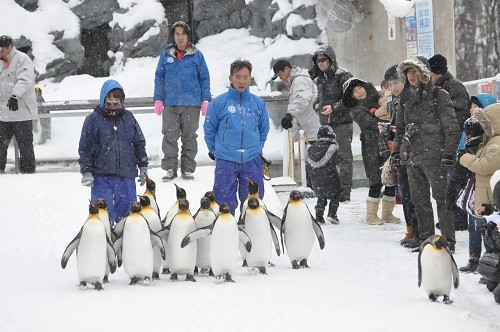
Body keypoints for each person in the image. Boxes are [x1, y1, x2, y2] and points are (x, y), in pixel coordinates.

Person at [392, 59, 461, 252]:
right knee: (419, 201)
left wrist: (449, 152)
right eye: (408, 73)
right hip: (412, 156)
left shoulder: (439, 95)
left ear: (423, 73)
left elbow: (451, 127)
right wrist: (397, 152)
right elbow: (400, 130)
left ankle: (448, 241)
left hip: (435, 156)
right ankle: (426, 239)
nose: (411, 76)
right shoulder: (404, 98)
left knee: (442, 200)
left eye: (414, 72)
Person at [203, 59, 270, 215]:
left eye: (246, 77)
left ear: (250, 78)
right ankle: (227, 234)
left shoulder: (258, 103)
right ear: (230, 78)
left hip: (251, 158)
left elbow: (264, 128)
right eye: (238, 77)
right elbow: (209, 128)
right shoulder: (218, 103)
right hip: (226, 158)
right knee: (223, 201)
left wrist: (257, 147)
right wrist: (215, 150)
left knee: (253, 202)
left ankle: (250, 233)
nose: (242, 81)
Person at [78, 79, 148, 225]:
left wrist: (143, 166)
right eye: (110, 97)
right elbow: (85, 147)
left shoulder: (128, 118)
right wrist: (86, 171)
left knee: (128, 219)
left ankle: (124, 246)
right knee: (102, 217)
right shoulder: (93, 119)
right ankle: (104, 245)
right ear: (103, 98)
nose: (113, 101)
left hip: (126, 176)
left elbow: (139, 143)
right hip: (101, 177)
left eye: (117, 98)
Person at [153, 21, 211, 181]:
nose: (180, 37)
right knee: (169, 136)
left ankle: (187, 169)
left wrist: (205, 99)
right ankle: (170, 168)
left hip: (192, 103)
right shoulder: (166, 55)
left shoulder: (196, 55)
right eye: (177, 34)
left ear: (187, 35)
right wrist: (158, 98)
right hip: (170, 103)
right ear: (173, 36)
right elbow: (159, 77)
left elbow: (204, 78)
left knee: (189, 137)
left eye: (183, 34)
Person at [342, 78, 400, 225]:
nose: (359, 92)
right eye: (355, 91)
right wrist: (386, 122)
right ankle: (371, 214)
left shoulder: (378, 99)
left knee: (391, 177)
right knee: (375, 180)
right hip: (371, 145)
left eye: (360, 88)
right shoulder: (355, 109)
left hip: (388, 142)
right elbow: (370, 123)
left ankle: (388, 213)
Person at [428, 54, 471, 232]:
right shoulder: (440, 87)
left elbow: (458, 115)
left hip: (454, 144)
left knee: (456, 181)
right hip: (445, 143)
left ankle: (459, 219)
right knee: (449, 182)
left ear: (436, 72)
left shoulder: (453, 87)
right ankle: (453, 218)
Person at [310, 44, 353, 201]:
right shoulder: (320, 78)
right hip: (325, 125)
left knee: (343, 158)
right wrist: (317, 103)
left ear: (331, 59)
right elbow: (322, 97)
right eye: (317, 60)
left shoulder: (343, 76)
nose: (320, 63)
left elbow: (351, 98)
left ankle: (344, 192)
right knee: (327, 159)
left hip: (342, 124)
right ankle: (331, 189)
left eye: (323, 59)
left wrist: (333, 108)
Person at [382, 64, 418, 244]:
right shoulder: (394, 102)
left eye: (396, 82)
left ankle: (418, 231)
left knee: (415, 195)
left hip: (413, 152)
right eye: (390, 84)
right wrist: (389, 130)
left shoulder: (411, 98)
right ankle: (410, 230)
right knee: (405, 194)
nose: (393, 87)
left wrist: (403, 131)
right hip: (401, 153)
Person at [446, 116, 484, 272]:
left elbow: (456, 178)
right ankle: (491, 262)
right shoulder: (488, 147)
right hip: (491, 196)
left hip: (475, 197)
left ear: (467, 134)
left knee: (474, 228)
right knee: (489, 231)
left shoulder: (466, 152)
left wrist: (449, 198)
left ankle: (474, 260)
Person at [0, 35, 37, 174]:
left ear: (10, 46)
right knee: (1, 145)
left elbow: (25, 80)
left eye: (1, 48)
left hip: (21, 111)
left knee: (25, 146)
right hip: (3, 113)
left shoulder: (22, 59)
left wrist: (14, 95)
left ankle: (28, 172)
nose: (0, 51)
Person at [271, 58, 320, 143]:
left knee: (316, 155)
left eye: (280, 74)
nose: (280, 78)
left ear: (286, 69)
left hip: (314, 130)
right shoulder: (296, 81)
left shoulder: (300, 80)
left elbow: (302, 99)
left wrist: (290, 114)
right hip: (310, 130)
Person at [306, 125, 341, 224]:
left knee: (321, 197)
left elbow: (307, 167)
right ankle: (332, 215)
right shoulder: (332, 147)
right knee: (335, 195)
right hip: (331, 177)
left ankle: (319, 216)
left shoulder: (311, 149)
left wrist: (310, 181)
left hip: (316, 179)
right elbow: (336, 160)